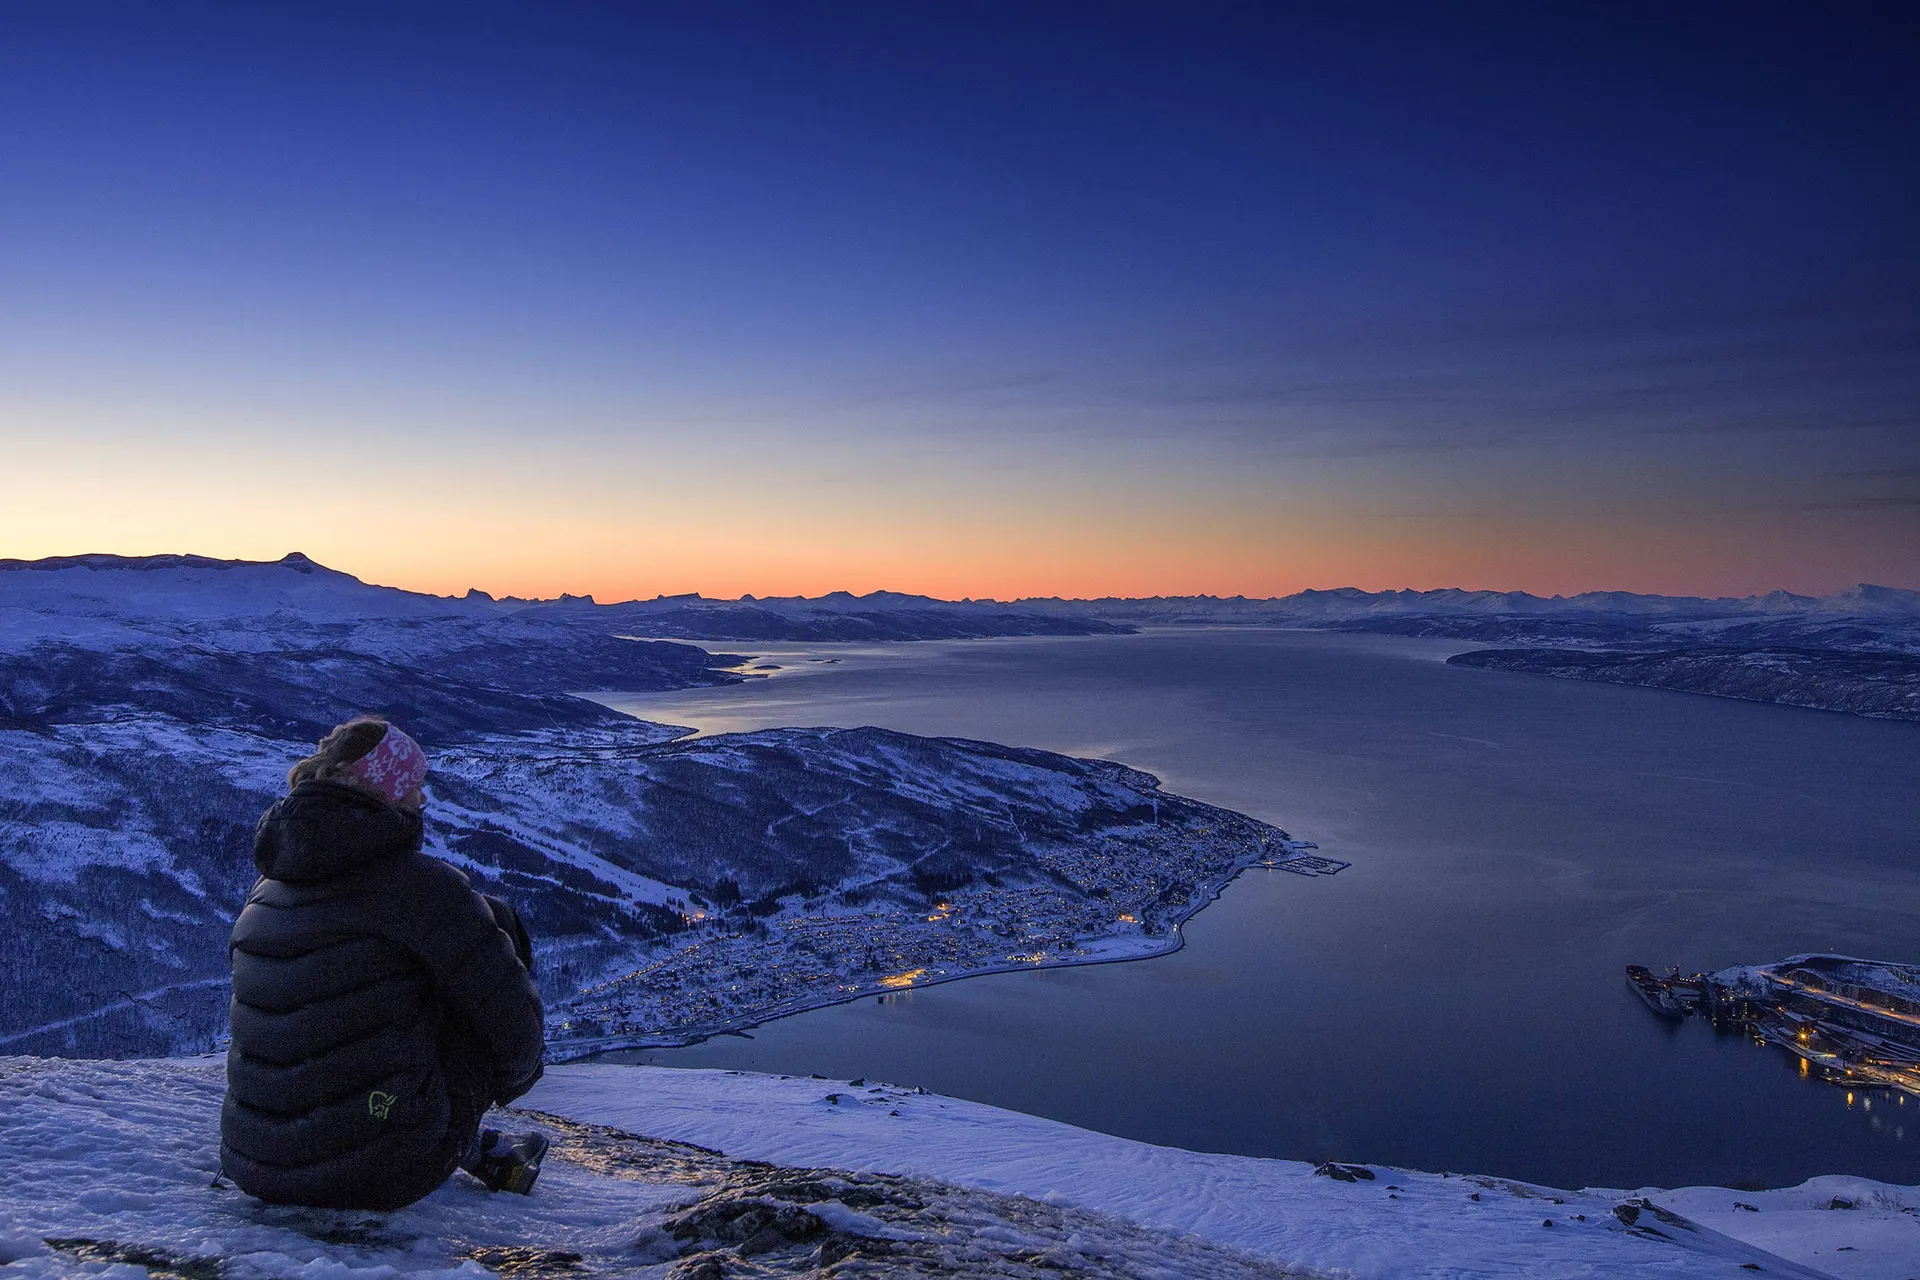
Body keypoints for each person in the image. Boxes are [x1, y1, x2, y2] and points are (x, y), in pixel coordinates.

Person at [220, 716, 550, 1210]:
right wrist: (507, 1081)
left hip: (255, 1161)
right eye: (415, 786)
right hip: (381, 1171)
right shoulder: (422, 889)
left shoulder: (267, 888)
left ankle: (441, 1134)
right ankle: (458, 1141)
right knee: (490, 939)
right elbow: (516, 1037)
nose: (422, 800)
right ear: (390, 791)